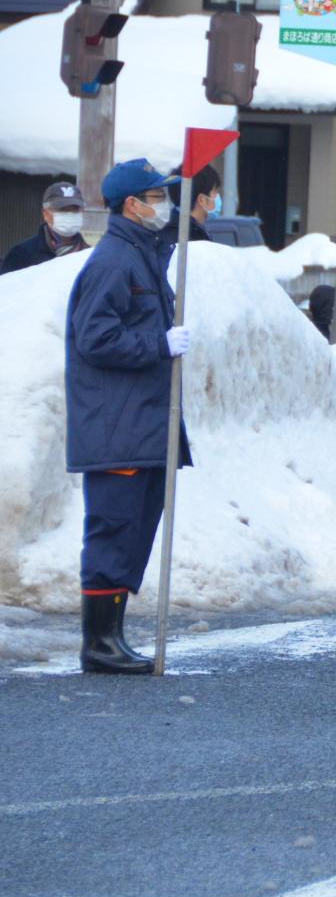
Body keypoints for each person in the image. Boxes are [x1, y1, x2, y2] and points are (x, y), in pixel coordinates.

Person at [64, 159, 191, 674]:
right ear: (132, 206)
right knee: (114, 529)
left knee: (135, 530)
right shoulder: (115, 261)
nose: (164, 204)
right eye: (156, 196)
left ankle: (111, 634)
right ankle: (97, 643)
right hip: (117, 424)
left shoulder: (144, 255)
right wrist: (157, 344)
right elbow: (95, 337)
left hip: (142, 422)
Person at [4, 180, 90, 274]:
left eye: (75, 209)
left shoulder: (90, 256)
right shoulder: (22, 255)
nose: (69, 214)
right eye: (62, 209)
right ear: (45, 214)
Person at [170, 165, 223, 245]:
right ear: (202, 200)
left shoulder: (194, 232)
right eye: (215, 191)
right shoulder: (187, 239)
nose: (218, 196)